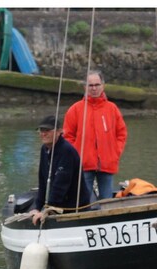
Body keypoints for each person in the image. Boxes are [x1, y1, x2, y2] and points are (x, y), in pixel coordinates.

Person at [63, 70, 127, 201]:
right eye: (90, 85)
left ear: (103, 86)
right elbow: (67, 137)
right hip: (83, 165)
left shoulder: (112, 109)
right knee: (85, 203)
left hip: (107, 164)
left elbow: (121, 133)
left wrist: (115, 153)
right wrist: (77, 156)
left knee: (107, 202)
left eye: (97, 85)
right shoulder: (75, 109)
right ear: (84, 87)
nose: (94, 88)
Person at [31, 115, 92, 225]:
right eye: (41, 130)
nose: (43, 134)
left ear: (59, 132)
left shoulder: (66, 151)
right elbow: (43, 181)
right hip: (58, 206)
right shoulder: (44, 149)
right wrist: (37, 207)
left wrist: (47, 210)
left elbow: (61, 185)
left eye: (47, 130)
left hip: (75, 207)